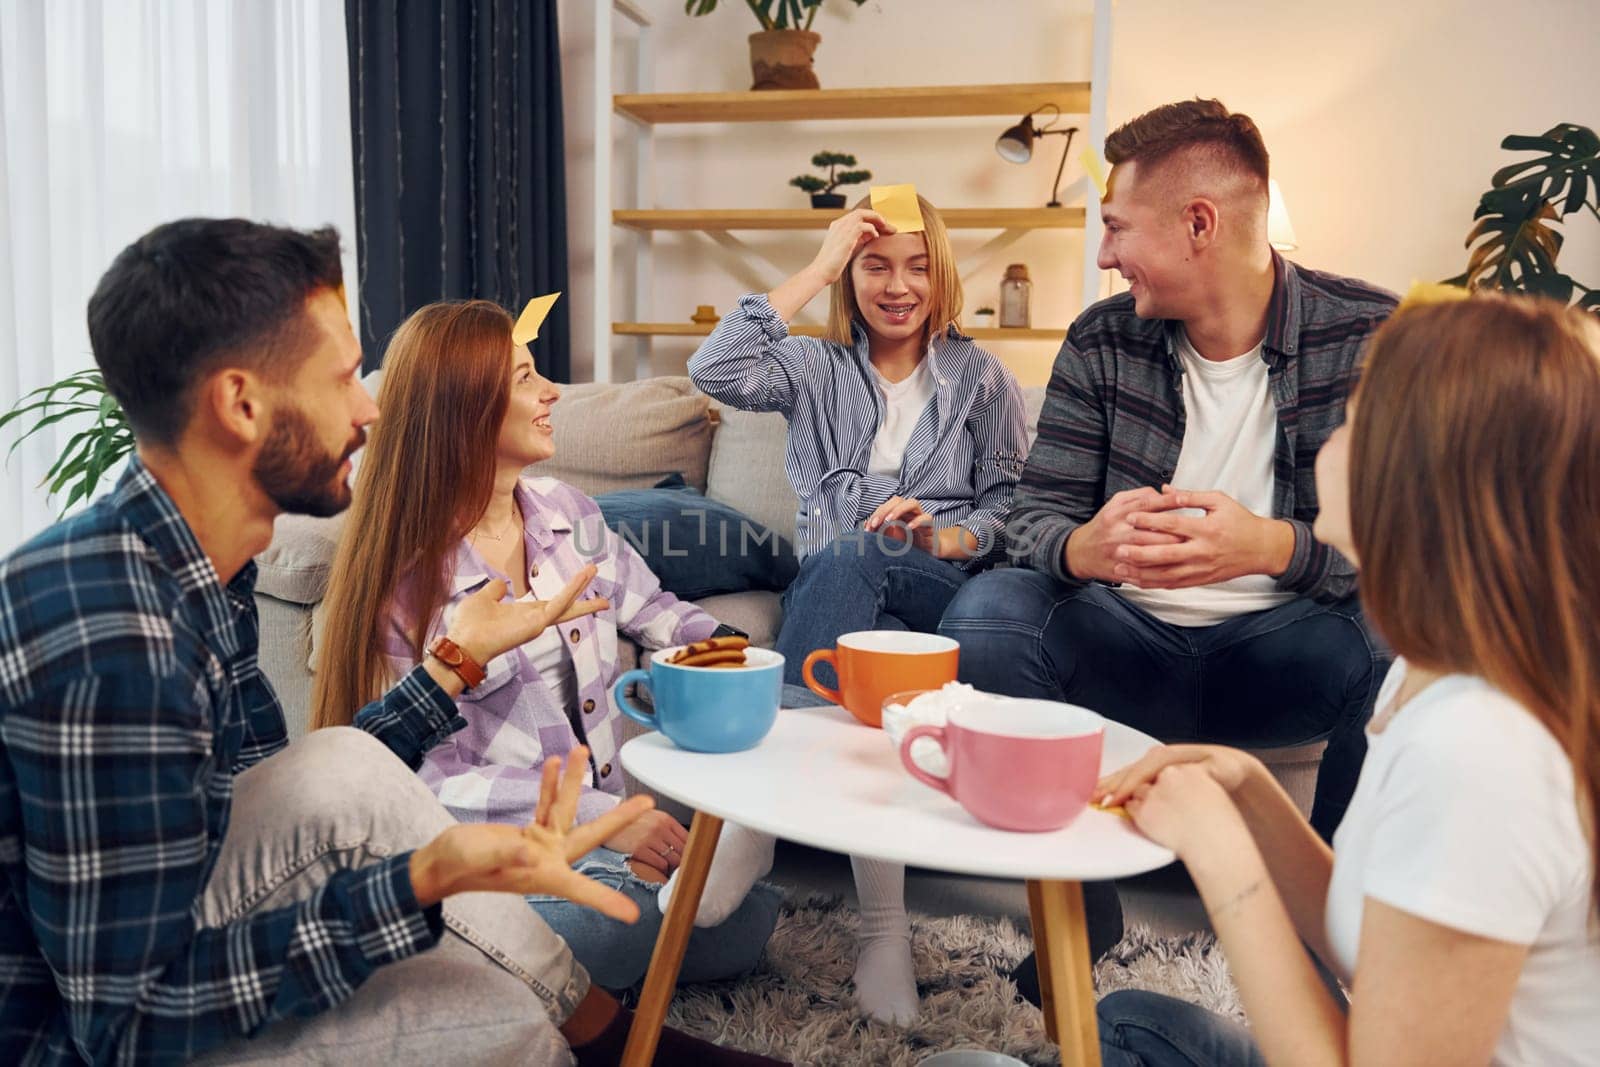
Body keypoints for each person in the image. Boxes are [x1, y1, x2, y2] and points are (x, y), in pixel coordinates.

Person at [0, 218, 782, 1066]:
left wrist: (454, 666)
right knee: (516, 1027)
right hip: (92, 1036)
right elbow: (128, 1022)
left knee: (377, 815)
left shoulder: (202, 571)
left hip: (208, 906)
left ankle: (600, 1026)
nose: (373, 407)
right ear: (241, 403)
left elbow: (312, 800)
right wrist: (422, 882)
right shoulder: (113, 629)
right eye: (342, 378)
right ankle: (601, 1031)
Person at [1092, 292, 1600, 1065]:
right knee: (1125, 1022)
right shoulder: (1433, 673)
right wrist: (1252, 795)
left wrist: (1221, 854)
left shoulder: (1481, 750)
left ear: (1426, 478)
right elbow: (1380, 936)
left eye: (1358, 422)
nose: (1330, 440)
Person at [941, 99, 1395, 843]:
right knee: (989, 614)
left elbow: (1409, 561)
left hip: (1286, 657)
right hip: (1126, 652)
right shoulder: (1102, 339)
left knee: (1399, 640)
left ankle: (1345, 922)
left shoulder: (1370, 336)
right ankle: (1080, 909)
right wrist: (1081, 548)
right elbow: (1030, 521)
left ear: (1199, 224)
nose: (1104, 256)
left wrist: (1270, 548)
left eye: (1117, 227)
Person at [312, 298, 782, 991]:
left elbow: (652, 609)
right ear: (465, 408)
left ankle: (675, 900)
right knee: (628, 928)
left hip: (588, 850)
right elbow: (422, 782)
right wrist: (604, 819)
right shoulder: (404, 581)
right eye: (526, 377)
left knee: (755, 912)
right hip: (482, 864)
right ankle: (660, 910)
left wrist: (738, 661)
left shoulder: (568, 510)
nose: (552, 392)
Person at [688, 194, 1030, 1023]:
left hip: (938, 578)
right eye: (876, 264)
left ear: (941, 275)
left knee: (871, 554)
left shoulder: (983, 380)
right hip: (842, 591)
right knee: (854, 578)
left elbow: (1014, 508)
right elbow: (715, 368)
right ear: (853, 273)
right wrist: (818, 262)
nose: (898, 284)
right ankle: (883, 931)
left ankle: (757, 811)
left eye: (917, 265)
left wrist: (938, 538)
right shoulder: (812, 369)